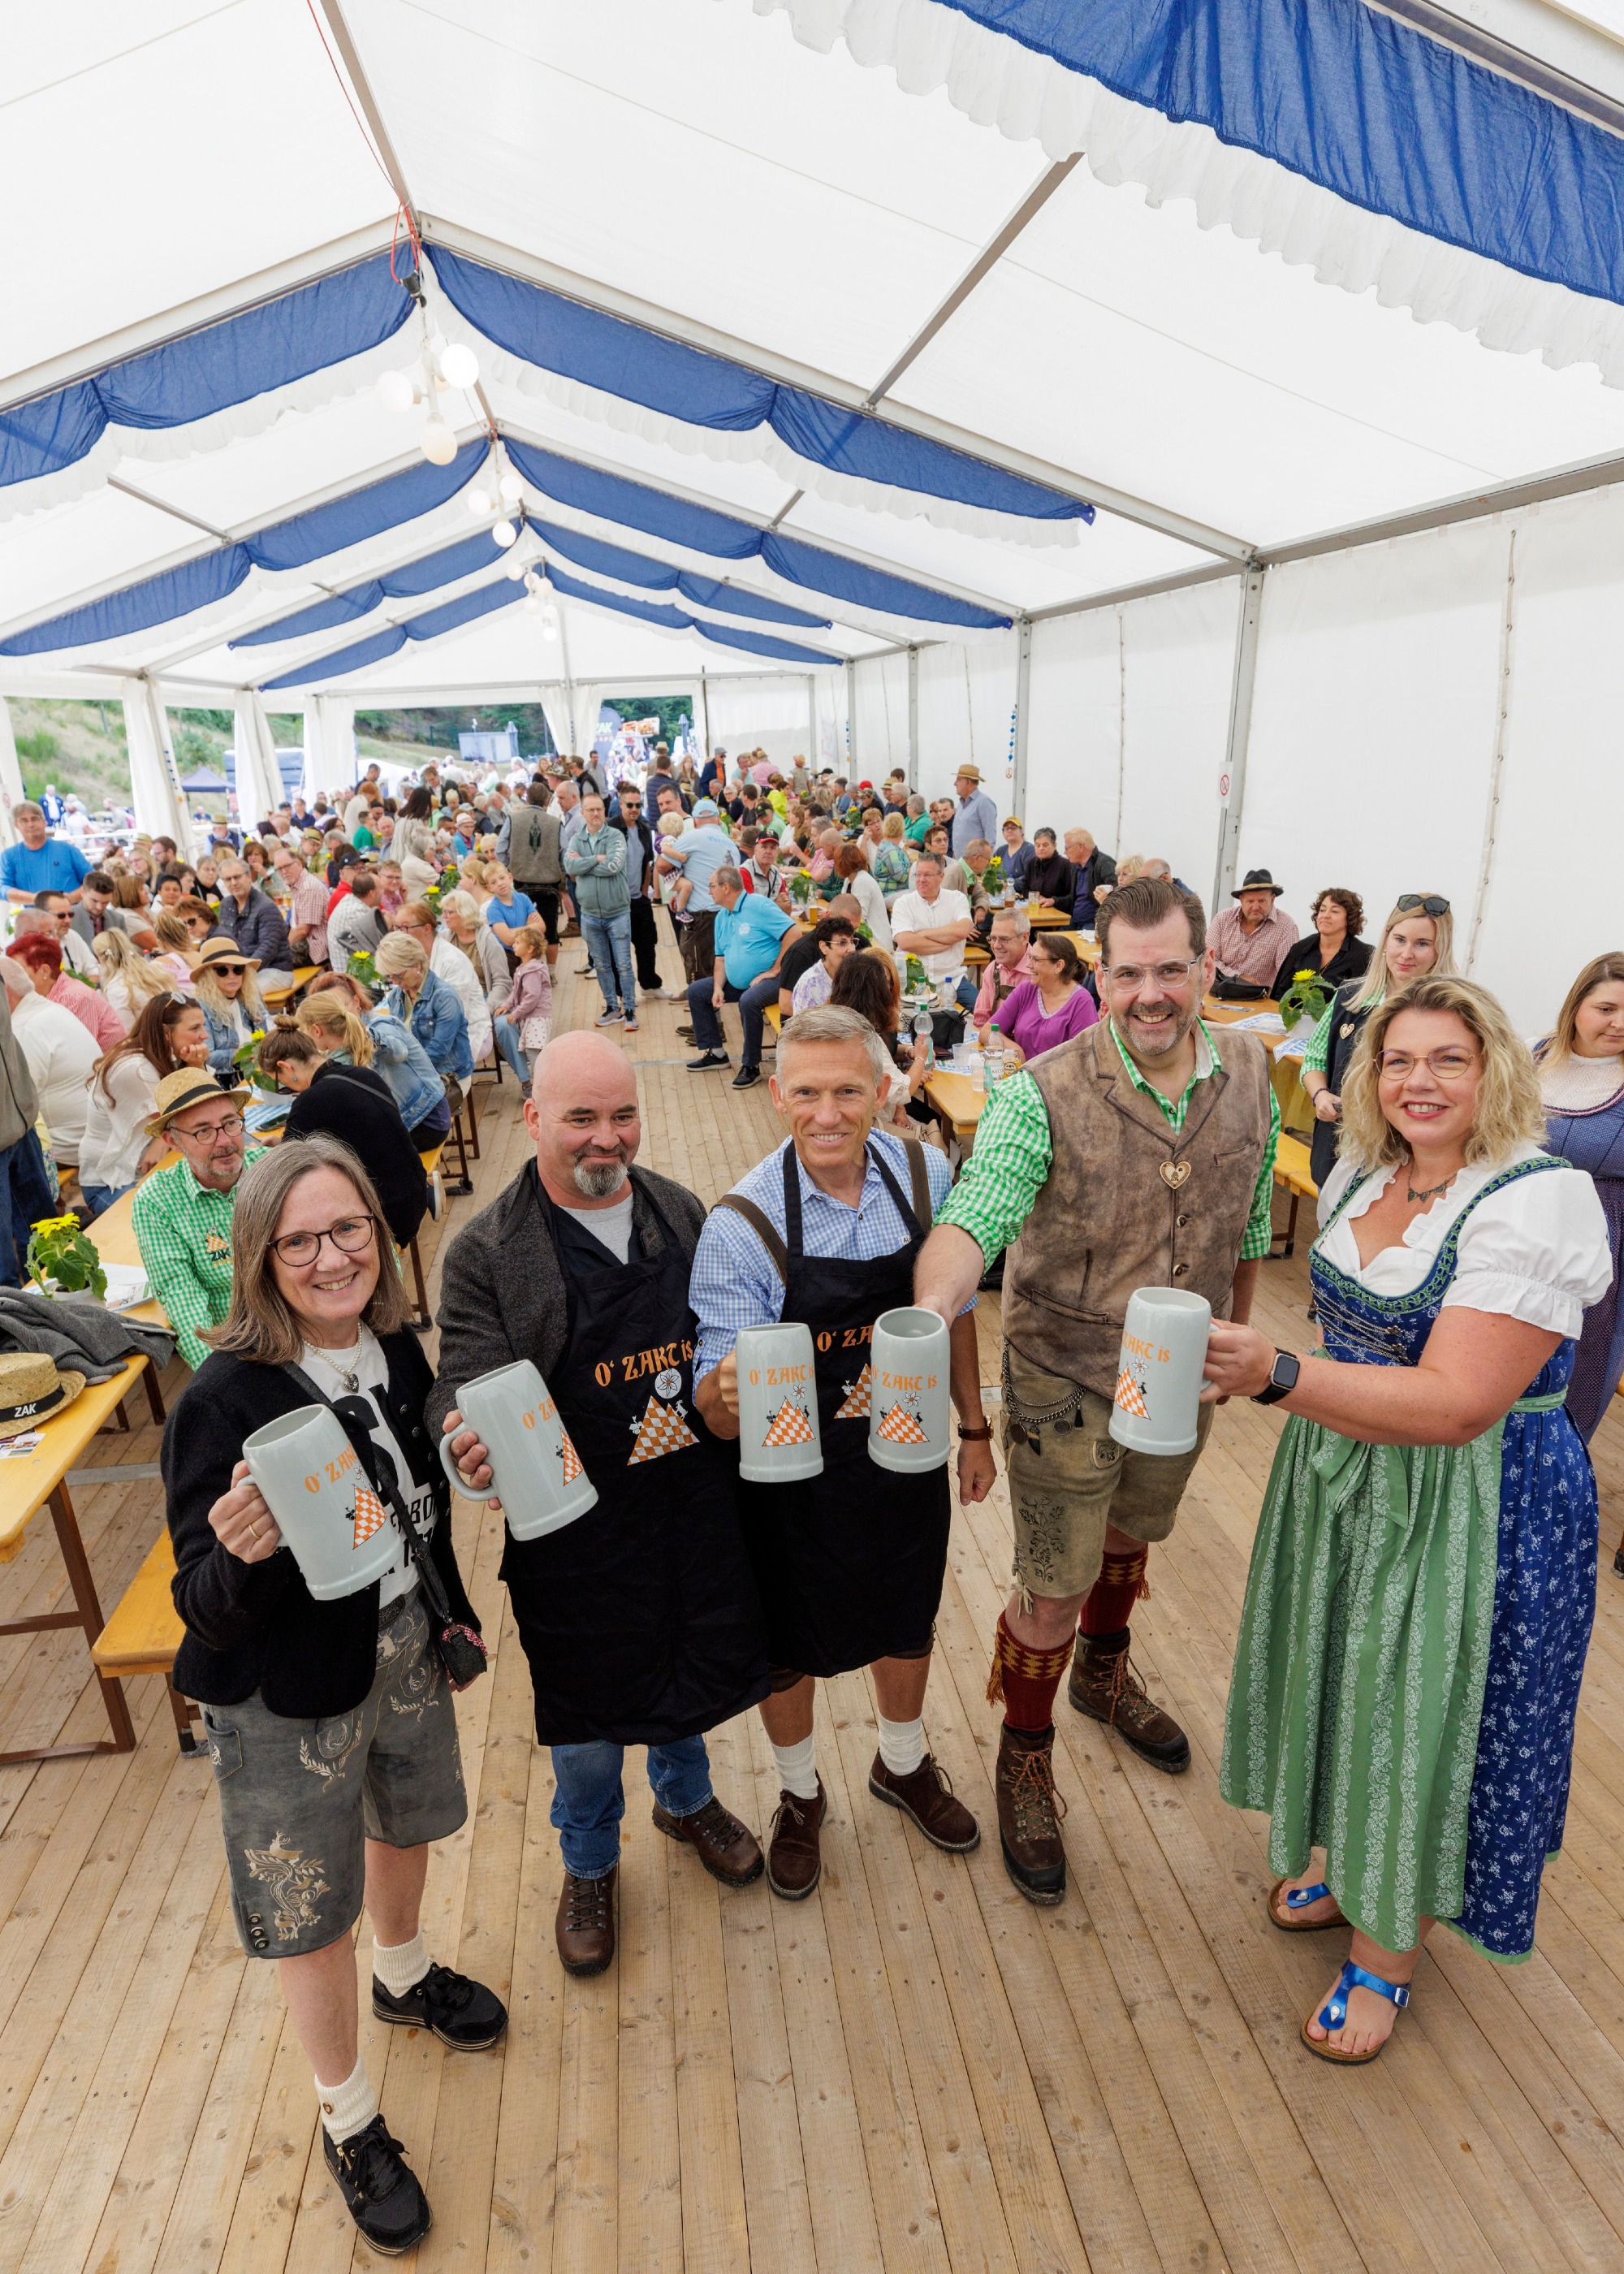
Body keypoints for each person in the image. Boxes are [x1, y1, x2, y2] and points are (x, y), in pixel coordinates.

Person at [1211, 976, 1611, 2060]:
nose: (1418, 1081)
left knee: (1430, 1710)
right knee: (1347, 1673)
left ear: (1495, 1072)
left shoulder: (1536, 1198)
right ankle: (1349, 1861)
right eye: (1398, 1060)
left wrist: (1277, 1372)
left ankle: (1388, 1952)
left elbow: (1458, 1403)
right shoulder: (1369, 1171)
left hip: (1475, 1501)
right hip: (1349, 1473)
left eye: (1448, 1059)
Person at [911, 875, 1279, 1904]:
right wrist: (936, 1304)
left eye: (1171, 970)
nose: (1150, 993)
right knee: (1053, 1583)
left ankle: (1103, 1674)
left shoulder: (1247, 1069)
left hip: (1182, 1377)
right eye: (1128, 972)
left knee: (1133, 1537)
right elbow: (976, 1208)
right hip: (1064, 1379)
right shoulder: (1041, 1087)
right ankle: (1024, 1753)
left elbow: (1246, 1215)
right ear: (1100, 975)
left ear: (1205, 968)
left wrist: (1236, 1341)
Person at [164, 1139, 503, 2253]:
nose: (328, 1257)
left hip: (399, 1639)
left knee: (408, 1822)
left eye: (347, 1228)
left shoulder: (397, 1350)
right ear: (260, 1258)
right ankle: (348, 2118)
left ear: (381, 1233)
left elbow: (417, 1494)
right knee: (312, 1910)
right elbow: (202, 1609)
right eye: (299, 1240)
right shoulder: (220, 1402)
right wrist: (239, 1550)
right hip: (280, 1696)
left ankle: (403, 1978)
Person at [434, 1034, 769, 1977]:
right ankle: (587, 1860)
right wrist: (465, 1438)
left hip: (685, 1502)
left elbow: (724, 1335)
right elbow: (457, 1379)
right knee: (583, 1711)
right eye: (580, 1117)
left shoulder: (680, 1210)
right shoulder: (488, 1252)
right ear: (534, 1118)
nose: (605, 1138)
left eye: (622, 1115)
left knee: (683, 1657)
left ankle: (684, 1794)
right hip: (571, 1528)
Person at [692, 1006, 990, 1896]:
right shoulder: (741, 1223)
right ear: (778, 1093)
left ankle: (899, 1763)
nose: (827, 1114)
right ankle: (798, 1792)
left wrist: (973, 1426)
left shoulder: (925, 1174)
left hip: (901, 1452)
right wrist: (722, 1393)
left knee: (906, 1608)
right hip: (789, 1480)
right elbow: (713, 1410)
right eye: (808, 1092)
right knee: (788, 1642)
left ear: (881, 1089)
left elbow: (957, 1312)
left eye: (848, 1090)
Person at [1302, 894, 1456, 1188]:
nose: (1406, 953)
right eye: (1399, 939)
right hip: (1338, 1156)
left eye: (1422, 944)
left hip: (1404, 1161)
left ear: (1440, 950)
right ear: (1386, 940)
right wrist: (1320, 1094)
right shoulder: (1349, 998)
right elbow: (1314, 1059)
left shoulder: (1450, 1014)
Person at [1535, 952, 1624, 1449]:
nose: (1620, 1023)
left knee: (1579, 1359)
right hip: (1519, 1220)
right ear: (1576, 1006)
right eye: (1606, 1008)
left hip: (1602, 1234)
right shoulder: (1533, 1054)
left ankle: (1554, 1471)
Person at [132, 1070, 264, 1369]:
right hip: (240, 1350)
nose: (225, 1141)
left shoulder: (272, 1171)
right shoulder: (157, 1201)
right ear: (173, 1141)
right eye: (203, 1131)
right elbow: (184, 1303)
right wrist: (220, 1383)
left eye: (230, 1123)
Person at [254, 1026, 429, 1249]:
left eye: (280, 1083)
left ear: (286, 1067)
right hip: (414, 1190)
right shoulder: (362, 1074)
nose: (285, 1089)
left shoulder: (310, 1103)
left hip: (388, 1215)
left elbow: (288, 1170)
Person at [79, 994, 211, 1217]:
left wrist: (162, 1137)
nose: (204, 1036)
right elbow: (194, 1121)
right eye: (195, 1028)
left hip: (146, 1170)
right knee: (181, 1217)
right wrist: (197, 1067)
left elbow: (198, 1116)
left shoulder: (161, 1055)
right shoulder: (135, 1067)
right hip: (111, 1184)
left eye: (203, 1027)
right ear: (165, 1033)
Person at [297, 989, 450, 1154]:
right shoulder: (339, 1057)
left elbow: (399, 1052)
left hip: (427, 1121)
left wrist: (368, 1037)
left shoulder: (378, 1028)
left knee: (348, 1155)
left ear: (316, 1030)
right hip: (418, 1120)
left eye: (304, 1033)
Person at [685, 862, 794, 1089]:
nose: (708, 891)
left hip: (773, 981)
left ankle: (751, 1065)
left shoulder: (758, 905)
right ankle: (716, 1053)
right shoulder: (722, 917)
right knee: (697, 991)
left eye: (711, 886)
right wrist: (717, 988)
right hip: (738, 982)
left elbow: (794, 933)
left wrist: (775, 969)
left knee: (749, 1000)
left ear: (726, 887)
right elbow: (721, 958)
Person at [1, 953, 97, 1178]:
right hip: (86, 1135)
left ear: (5, 994)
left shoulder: (24, 1029)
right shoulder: (49, 1010)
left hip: (68, 1145)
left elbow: (16, 1109)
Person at [831, 950, 929, 1132]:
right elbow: (902, 1090)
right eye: (884, 983)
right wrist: (921, 1059)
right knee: (938, 1131)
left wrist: (908, 1051)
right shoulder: (866, 1036)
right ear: (875, 990)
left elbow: (891, 1049)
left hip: (852, 1116)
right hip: (872, 1126)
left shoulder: (840, 1021)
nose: (889, 988)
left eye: (890, 982)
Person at [566, 791, 638, 1031]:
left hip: (617, 912)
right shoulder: (577, 838)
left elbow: (614, 866)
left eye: (599, 809)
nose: (596, 813)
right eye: (591, 810)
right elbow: (569, 866)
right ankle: (612, 1008)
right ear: (583, 813)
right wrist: (596, 858)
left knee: (624, 964)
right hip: (589, 914)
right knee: (602, 965)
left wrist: (585, 863)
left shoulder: (616, 835)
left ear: (604, 812)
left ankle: (629, 1010)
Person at [374, 934, 473, 1106]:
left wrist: (403, 1073)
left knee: (400, 1114)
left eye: (398, 976)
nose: (395, 982)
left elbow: (439, 1050)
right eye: (390, 977)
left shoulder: (445, 996)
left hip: (449, 1076)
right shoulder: (397, 995)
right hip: (416, 1073)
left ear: (417, 965)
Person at [392, 901, 490, 1069]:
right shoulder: (409, 959)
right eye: (396, 928)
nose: (400, 934)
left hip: (464, 1033)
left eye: (405, 928)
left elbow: (454, 1018)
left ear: (427, 929)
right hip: (426, 1030)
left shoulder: (451, 961)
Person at [988, 932, 1098, 1064]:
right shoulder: (1026, 990)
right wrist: (1016, 1050)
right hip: (1023, 1076)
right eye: (1030, 958)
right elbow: (988, 1031)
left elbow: (1082, 1058)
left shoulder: (1082, 1002)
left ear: (1058, 966)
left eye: (1036, 960)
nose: (1029, 965)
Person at [6, 931, 125, 1053]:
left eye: (19, 969)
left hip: (109, 1067)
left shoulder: (74, 998)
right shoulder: (48, 993)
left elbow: (81, 1054)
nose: (13, 975)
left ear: (45, 972)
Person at [890, 854, 978, 1011]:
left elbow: (963, 930)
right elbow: (906, 942)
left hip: (952, 980)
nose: (921, 880)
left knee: (982, 1010)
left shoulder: (957, 899)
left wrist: (923, 934)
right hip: (913, 982)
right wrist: (947, 941)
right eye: (918, 874)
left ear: (941, 876)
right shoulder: (904, 903)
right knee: (905, 1021)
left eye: (928, 875)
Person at [659, 798, 732, 984]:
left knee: (699, 972)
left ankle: (700, 1003)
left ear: (695, 822)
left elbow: (661, 865)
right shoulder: (731, 844)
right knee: (717, 968)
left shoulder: (690, 838)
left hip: (700, 916)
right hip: (727, 914)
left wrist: (678, 887)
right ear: (718, 820)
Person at [502, 782, 564, 971]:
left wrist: (507, 870)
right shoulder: (555, 823)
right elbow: (564, 851)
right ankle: (551, 972)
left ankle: (525, 969)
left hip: (521, 881)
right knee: (550, 929)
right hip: (549, 883)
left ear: (527, 799)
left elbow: (501, 848)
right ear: (547, 800)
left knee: (522, 929)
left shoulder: (513, 819)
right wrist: (560, 871)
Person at [1272, 887, 1371, 999]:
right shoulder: (1300, 949)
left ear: (1349, 918)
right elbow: (1279, 995)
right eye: (1322, 910)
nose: (1325, 915)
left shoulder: (1364, 955)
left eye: (1334, 911)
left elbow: (1363, 1003)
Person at [1208, 869, 1298, 990]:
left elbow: (1286, 974)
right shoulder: (1222, 919)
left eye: (1261, 901)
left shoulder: (1286, 927)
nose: (1255, 907)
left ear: (1272, 899)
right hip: (1218, 992)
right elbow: (1208, 960)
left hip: (1260, 998)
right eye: (1250, 901)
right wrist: (1238, 977)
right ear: (1241, 900)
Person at [214, 856, 294, 988]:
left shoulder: (265, 906)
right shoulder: (226, 905)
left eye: (237, 877)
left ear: (248, 876)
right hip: (241, 971)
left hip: (275, 970)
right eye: (228, 879)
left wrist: (241, 972)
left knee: (240, 991)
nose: (233, 883)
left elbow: (268, 948)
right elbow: (224, 941)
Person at [192, 937, 268, 1074]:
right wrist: (244, 1053)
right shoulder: (201, 1009)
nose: (232, 975)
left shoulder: (251, 1000)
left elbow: (267, 1039)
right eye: (222, 971)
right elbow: (206, 1057)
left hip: (258, 1071)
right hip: (227, 1080)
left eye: (238, 969)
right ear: (208, 976)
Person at [492, 926, 554, 1087]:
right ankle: (541, 1084)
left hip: (537, 1017)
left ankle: (542, 1085)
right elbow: (515, 991)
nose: (514, 945)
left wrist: (516, 1013)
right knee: (532, 1050)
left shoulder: (533, 970)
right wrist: (507, 1005)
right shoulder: (522, 969)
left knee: (535, 1052)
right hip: (530, 1017)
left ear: (530, 948)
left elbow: (532, 997)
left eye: (518, 943)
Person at [1, 801, 90, 904]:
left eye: (35, 819)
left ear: (44, 822)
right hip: (35, 917)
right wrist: (37, 899)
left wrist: (71, 898)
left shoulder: (67, 850)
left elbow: (92, 879)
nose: (30, 824)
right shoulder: (9, 856)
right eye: (24, 821)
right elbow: (3, 888)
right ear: (16, 825)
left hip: (72, 913)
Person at [93, 927, 175, 1026]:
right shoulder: (156, 969)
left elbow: (126, 1033)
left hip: (151, 1037)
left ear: (101, 958)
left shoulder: (116, 989)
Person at [971, 905, 1034, 1030]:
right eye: (993, 938)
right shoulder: (993, 969)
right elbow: (980, 1020)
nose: (996, 946)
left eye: (1004, 939)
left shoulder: (1039, 971)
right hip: (995, 1043)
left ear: (1024, 938)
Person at [271, 841, 330, 971]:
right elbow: (296, 926)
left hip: (317, 949)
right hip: (307, 943)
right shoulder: (297, 884)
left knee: (273, 965)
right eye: (279, 869)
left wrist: (282, 952)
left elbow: (303, 930)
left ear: (298, 863)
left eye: (287, 866)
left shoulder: (308, 888)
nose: (284, 872)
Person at [831, 840, 892, 951]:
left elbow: (860, 918)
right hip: (860, 938)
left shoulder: (862, 882)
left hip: (875, 942)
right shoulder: (849, 880)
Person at [789, 914, 858, 1013]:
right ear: (824, 947)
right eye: (842, 943)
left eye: (852, 941)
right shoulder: (809, 985)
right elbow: (803, 1026)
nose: (851, 949)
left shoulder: (858, 974)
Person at [327, 868, 386, 976]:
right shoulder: (356, 914)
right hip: (353, 979)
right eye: (381, 888)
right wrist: (388, 924)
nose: (384, 892)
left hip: (352, 973)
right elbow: (380, 949)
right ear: (372, 893)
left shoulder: (350, 901)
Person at [1064, 829, 1116, 928]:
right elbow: (1072, 898)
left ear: (1080, 847)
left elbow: (1118, 894)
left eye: (1067, 848)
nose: (1065, 852)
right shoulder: (1075, 867)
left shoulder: (1105, 864)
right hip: (1073, 921)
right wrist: (1054, 901)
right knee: (1053, 940)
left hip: (1093, 923)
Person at [949, 766, 996, 858]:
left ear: (968, 782)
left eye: (958, 780)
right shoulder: (961, 804)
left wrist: (985, 862)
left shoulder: (984, 802)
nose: (955, 784)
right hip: (961, 861)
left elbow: (990, 837)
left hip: (976, 862)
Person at [1023, 829, 1075, 908]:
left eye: (1045, 845)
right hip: (1036, 908)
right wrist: (1037, 897)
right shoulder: (1031, 863)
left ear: (1054, 846)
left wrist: (1054, 901)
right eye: (1037, 845)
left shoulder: (1065, 865)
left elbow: (1073, 896)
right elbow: (1024, 889)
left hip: (1058, 911)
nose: (1041, 848)